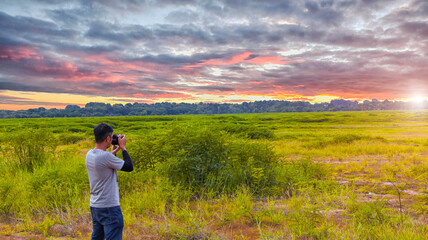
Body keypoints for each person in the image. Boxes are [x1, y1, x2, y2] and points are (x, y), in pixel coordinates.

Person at [86, 123, 133, 240]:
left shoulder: (90, 154)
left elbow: (103, 161)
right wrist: (123, 148)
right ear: (108, 139)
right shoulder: (106, 157)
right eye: (112, 137)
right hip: (109, 207)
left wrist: (113, 152)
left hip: (95, 206)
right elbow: (129, 167)